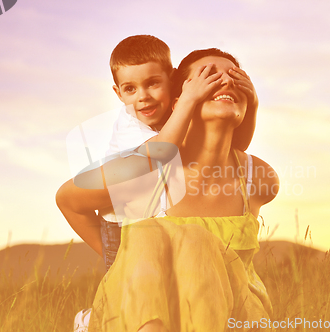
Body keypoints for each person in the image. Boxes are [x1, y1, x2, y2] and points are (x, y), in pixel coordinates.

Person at [84, 49, 279, 332]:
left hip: (238, 315)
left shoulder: (259, 179)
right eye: (208, 76)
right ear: (180, 102)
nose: (225, 82)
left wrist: (253, 103)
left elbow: (236, 143)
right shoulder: (147, 168)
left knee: (196, 242)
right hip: (147, 311)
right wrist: (120, 261)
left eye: (236, 78)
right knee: (147, 235)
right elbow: (70, 200)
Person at [57, 35, 259, 267]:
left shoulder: (169, 117)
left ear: (171, 79)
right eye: (130, 89)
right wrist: (189, 98)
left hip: (149, 221)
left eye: (153, 83)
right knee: (124, 278)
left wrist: (251, 104)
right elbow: (162, 153)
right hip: (119, 223)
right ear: (118, 93)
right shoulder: (133, 129)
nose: (143, 96)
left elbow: (237, 147)